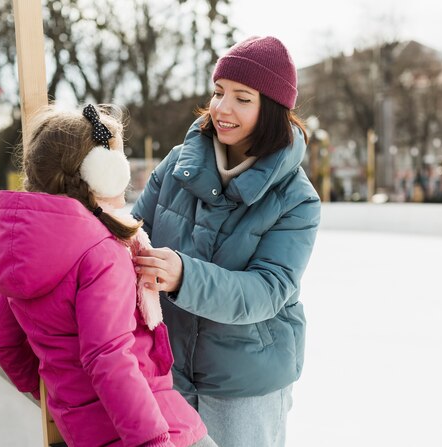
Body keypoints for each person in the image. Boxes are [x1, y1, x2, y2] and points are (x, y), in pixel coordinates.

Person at [0, 104, 217, 447]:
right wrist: (153, 442)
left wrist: (54, 389)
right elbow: (110, 359)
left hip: (86, 430)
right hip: (151, 425)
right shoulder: (100, 251)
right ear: (101, 172)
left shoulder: (28, 253)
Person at [132, 36, 321, 447]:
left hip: (245, 386)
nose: (222, 108)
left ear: (270, 108)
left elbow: (267, 290)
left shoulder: (297, 199)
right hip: (169, 372)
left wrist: (185, 276)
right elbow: (131, 232)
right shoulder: (177, 164)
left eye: (242, 97)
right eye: (218, 92)